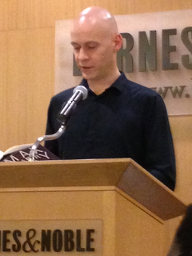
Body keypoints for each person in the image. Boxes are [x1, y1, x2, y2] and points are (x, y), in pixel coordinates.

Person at [45, 6, 176, 190]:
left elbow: (164, 176)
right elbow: (48, 174)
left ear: (116, 42)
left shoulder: (147, 102)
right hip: (71, 216)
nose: (81, 57)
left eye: (91, 47)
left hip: (127, 216)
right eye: (76, 47)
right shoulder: (60, 104)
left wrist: (113, 190)